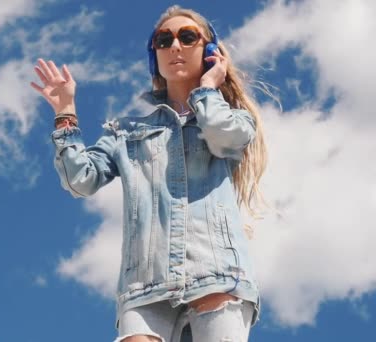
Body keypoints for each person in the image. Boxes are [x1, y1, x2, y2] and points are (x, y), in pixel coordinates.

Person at [30, 5, 267, 342]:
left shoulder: (234, 119)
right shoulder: (125, 133)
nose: (174, 46)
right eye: (163, 40)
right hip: (143, 287)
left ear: (210, 52)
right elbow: (80, 180)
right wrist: (65, 112)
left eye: (188, 37)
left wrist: (208, 87)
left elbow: (220, 133)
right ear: (154, 55)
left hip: (216, 274)